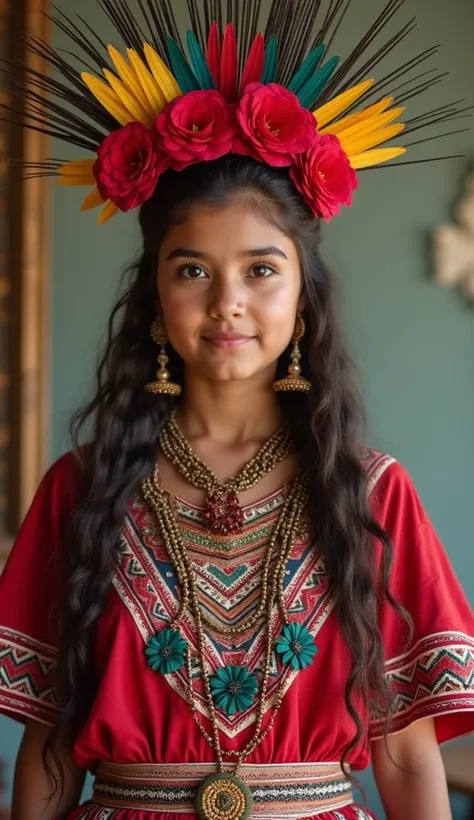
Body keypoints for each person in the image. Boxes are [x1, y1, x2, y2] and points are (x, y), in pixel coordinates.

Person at [0, 2, 473, 820]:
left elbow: (403, 752)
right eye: (192, 271)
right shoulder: (80, 490)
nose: (228, 303)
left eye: (261, 270)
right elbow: (48, 742)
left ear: (303, 294)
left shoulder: (373, 495)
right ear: (155, 291)